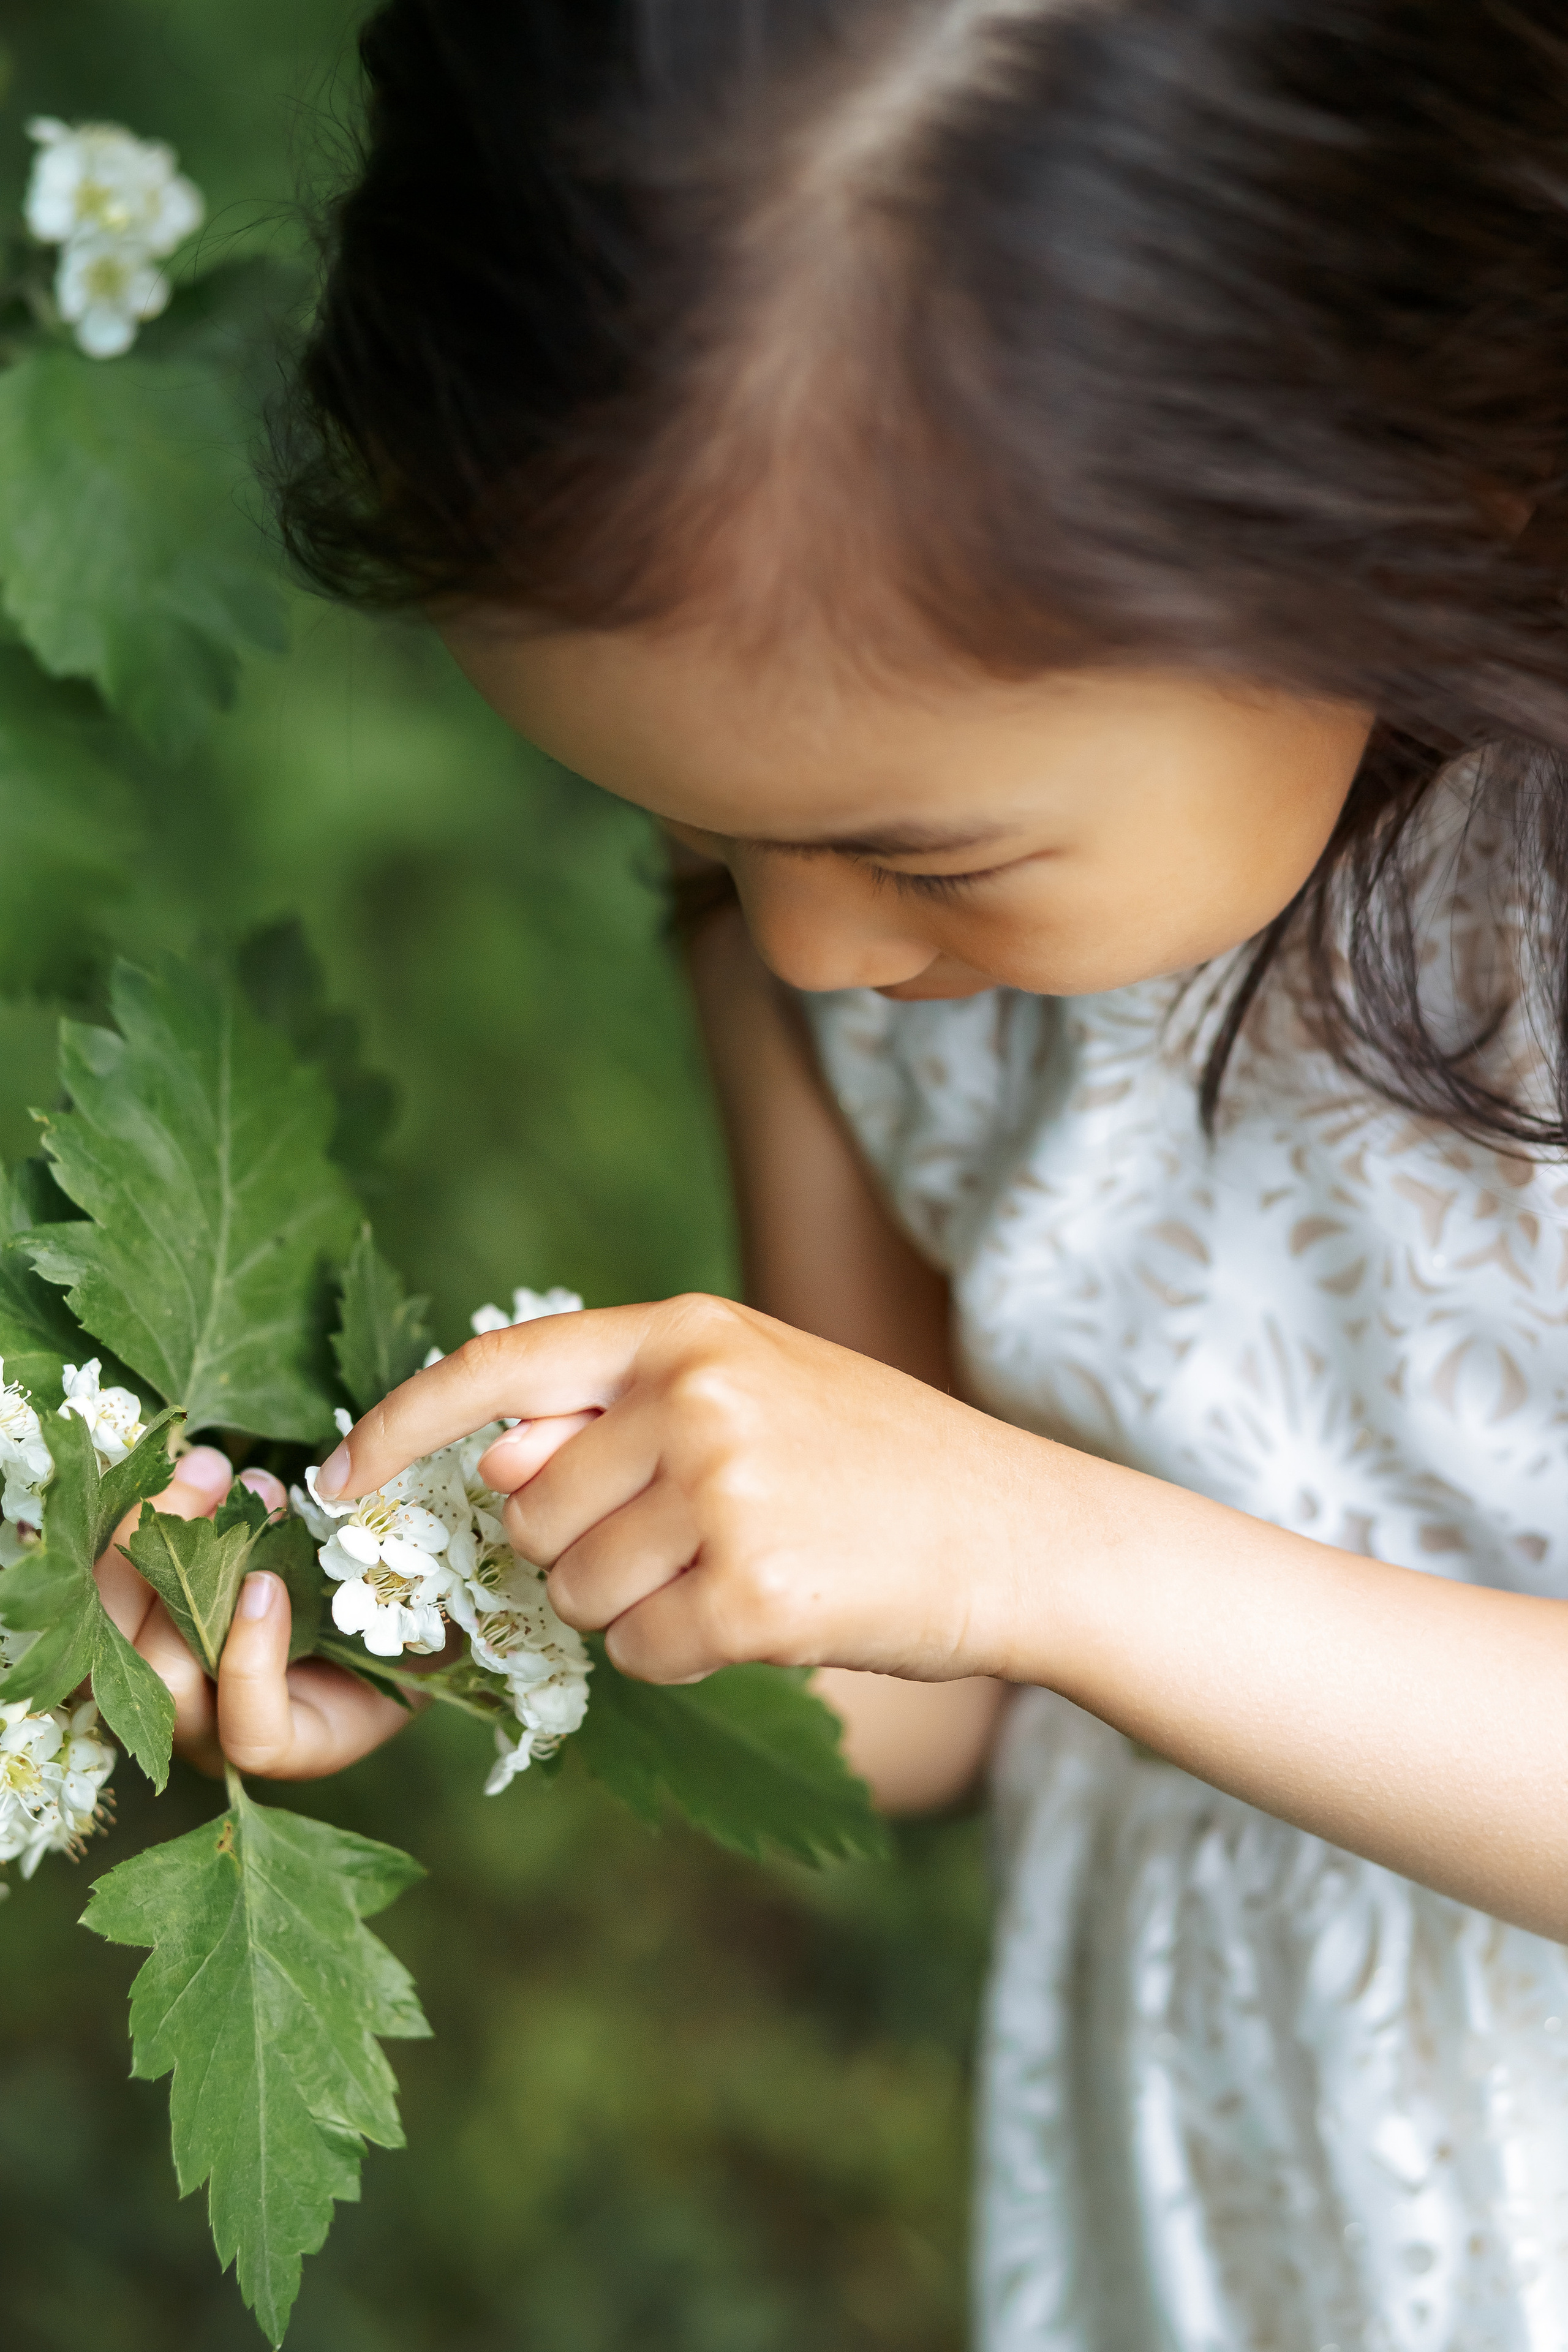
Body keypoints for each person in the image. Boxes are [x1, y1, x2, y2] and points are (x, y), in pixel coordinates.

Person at [100, 2, 1568, 2343]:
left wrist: (1044, 1547)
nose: (797, 943)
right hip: (1234, 2157)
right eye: (689, 833)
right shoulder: (819, 920)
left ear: (1434, 484)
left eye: (919, 852)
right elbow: (922, 1704)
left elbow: (1014, 1578)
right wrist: (471, 1591)